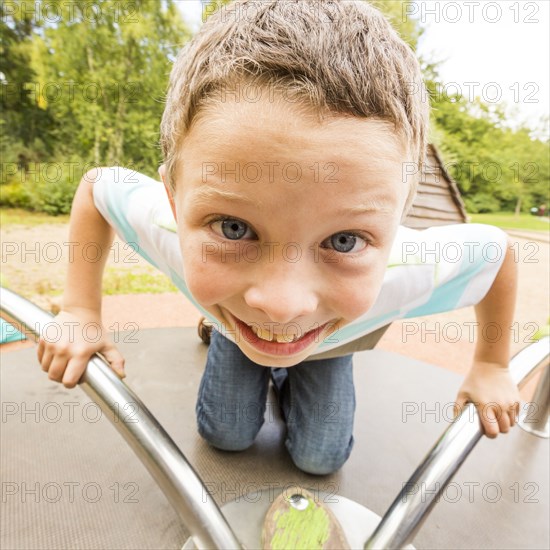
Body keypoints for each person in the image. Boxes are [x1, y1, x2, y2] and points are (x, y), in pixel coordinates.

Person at [37, 0, 520, 475]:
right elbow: (98, 186)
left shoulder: (406, 267)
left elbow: (496, 255)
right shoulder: (166, 225)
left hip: (332, 336)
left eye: (345, 241)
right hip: (235, 318)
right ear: (173, 199)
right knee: (224, 433)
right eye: (235, 229)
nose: (282, 304)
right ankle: (229, 335)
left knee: (321, 458)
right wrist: (81, 309)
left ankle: (289, 358)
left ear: (396, 224)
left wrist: (492, 364)